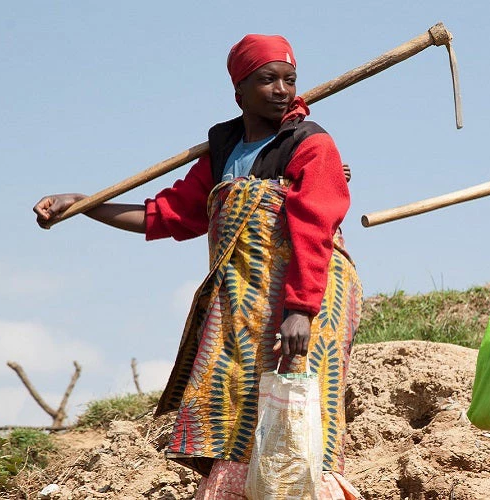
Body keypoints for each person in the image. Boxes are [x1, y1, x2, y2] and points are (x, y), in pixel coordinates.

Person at [33, 34, 362, 499]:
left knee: (297, 410)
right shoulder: (224, 151)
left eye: (289, 80)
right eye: (267, 80)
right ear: (239, 92)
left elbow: (314, 228)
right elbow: (167, 214)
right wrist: (85, 204)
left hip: (308, 292)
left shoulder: (310, 143)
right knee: (232, 406)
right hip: (241, 300)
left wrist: (300, 310)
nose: (282, 90)